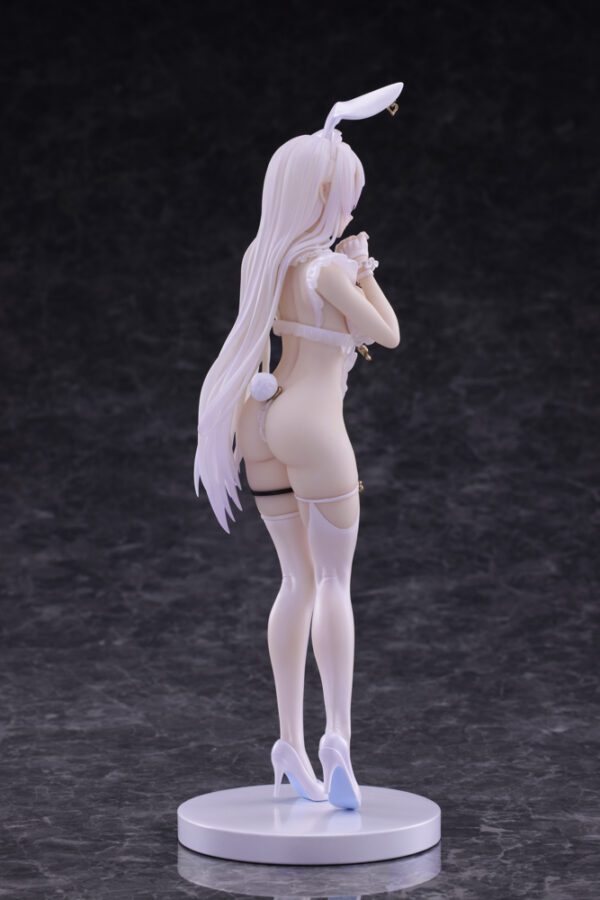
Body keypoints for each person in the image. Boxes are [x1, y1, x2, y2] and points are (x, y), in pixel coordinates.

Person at [195, 83, 402, 810]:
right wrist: (365, 268)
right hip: (313, 425)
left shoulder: (265, 259)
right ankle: (336, 736)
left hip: (261, 419)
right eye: (345, 197)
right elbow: (387, 334)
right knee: (334, 582)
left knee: (295, 581)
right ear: (322, 196)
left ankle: (287, 740)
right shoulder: (328, 268)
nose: (350, 210)